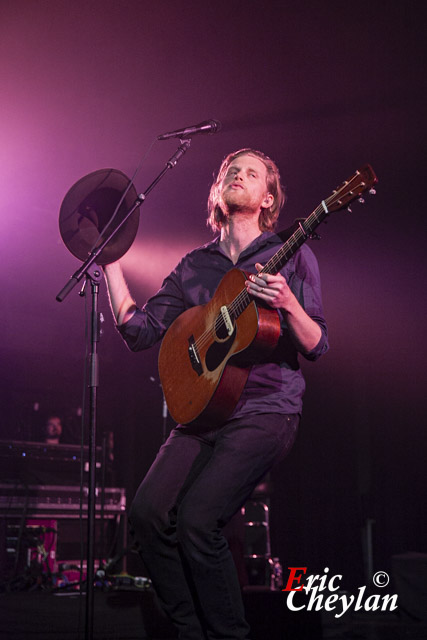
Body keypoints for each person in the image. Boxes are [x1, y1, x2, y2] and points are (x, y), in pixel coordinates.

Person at [103, 149, 329, 640]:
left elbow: (317, 344)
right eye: (231, 171)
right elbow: (140, 331)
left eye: (251, 173)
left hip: (266, 411)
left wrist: (288, 303)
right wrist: (109, 264)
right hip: (205, 413)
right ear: (217, 191)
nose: (237, 176)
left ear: (268, 198)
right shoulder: (193, 266)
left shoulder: (290, 253)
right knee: (146, 514)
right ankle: (189, 631)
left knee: (199, 521)